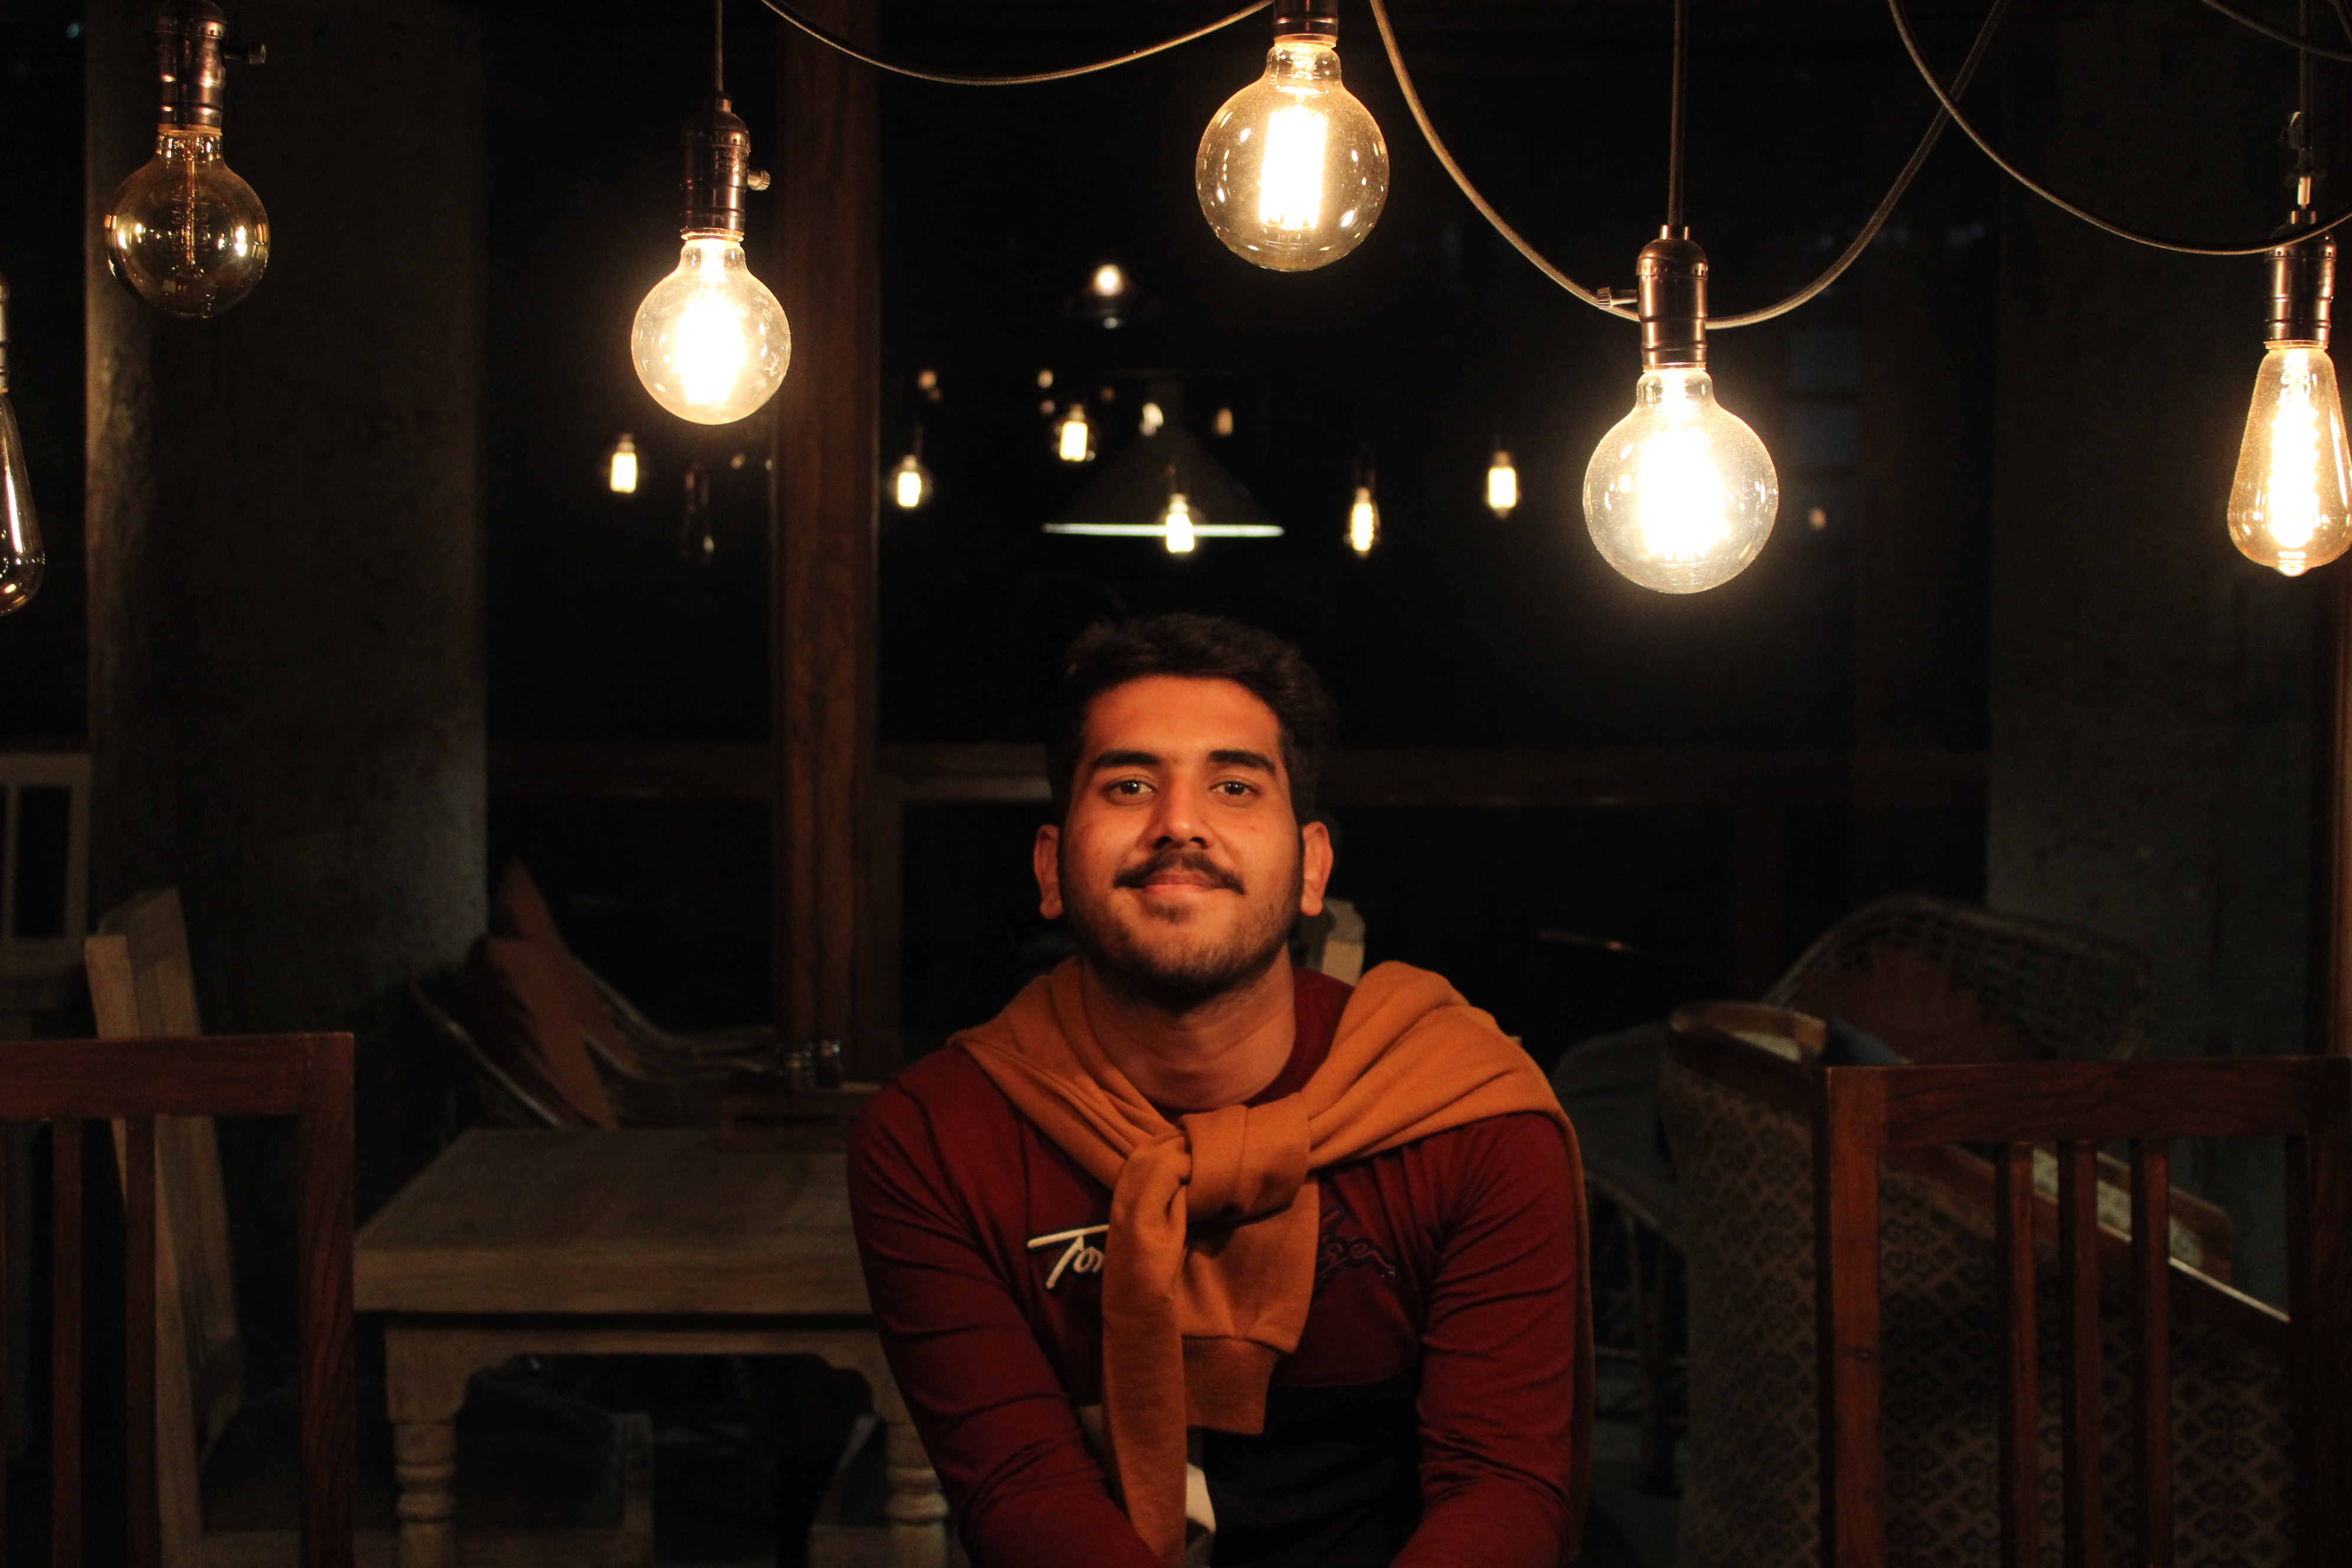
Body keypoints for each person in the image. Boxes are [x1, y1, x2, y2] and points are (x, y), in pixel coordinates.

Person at [850, 614, 1590, 1568]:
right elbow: (1023, 1487)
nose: (1179, 824)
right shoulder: (937, 1138)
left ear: (1313, 868)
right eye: (1129, 786)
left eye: (1235, 787)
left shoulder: (1469, 1114)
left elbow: (1500, 1484)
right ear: (1050, 868)